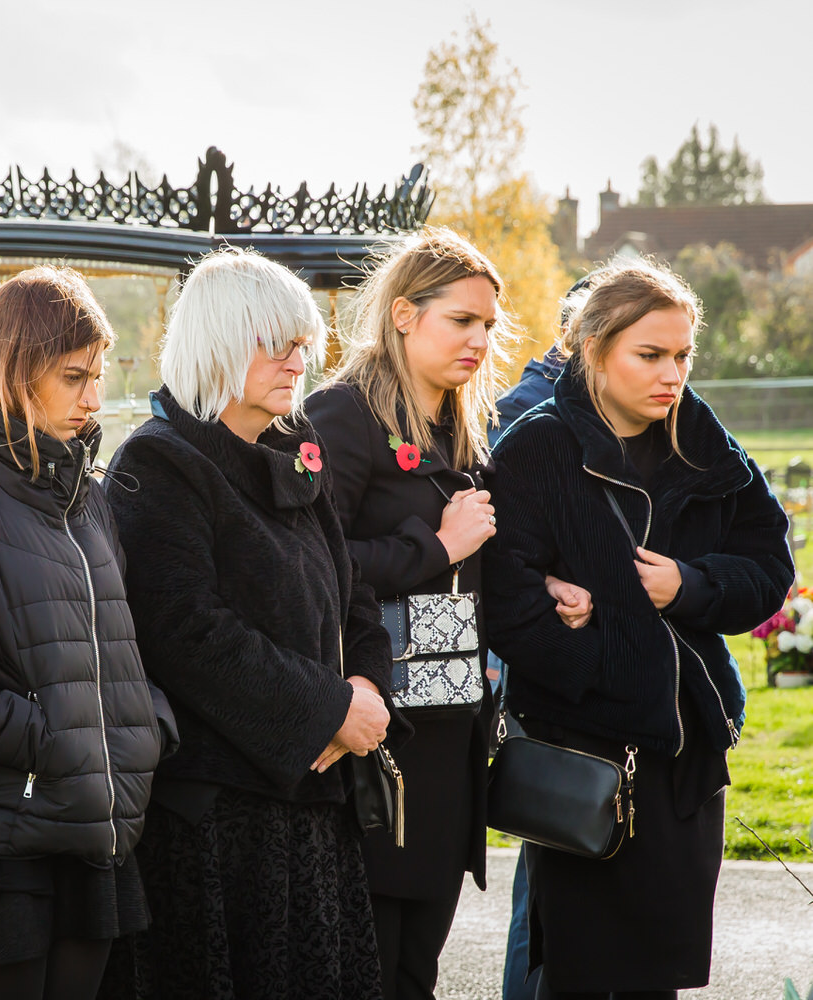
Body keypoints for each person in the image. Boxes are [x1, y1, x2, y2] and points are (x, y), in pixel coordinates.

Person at [100, 246, 405, 1000]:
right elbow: (187, 635)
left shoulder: (290, 455)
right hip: (215, 822)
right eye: (278, 341)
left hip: (310, 805)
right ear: (219, 341)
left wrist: (365, 687)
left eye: (304, 342)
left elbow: (351, 593)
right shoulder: (159, 464)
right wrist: (332, 710)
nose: (300, 359)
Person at [483, 259, 794, 999]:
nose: (672, 374)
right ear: (594, 349)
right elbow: (502, 596)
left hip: (685, 756)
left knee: (661, 972)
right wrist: (595, 652)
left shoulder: (702, 439)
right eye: (650, 355)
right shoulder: (536, 445)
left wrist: (689, 584)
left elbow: (768, 562)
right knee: (576, 973)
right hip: (581, 751)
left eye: (683, 355)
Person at [0, 266, 177, 1000]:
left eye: (100, 375)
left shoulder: (85, 489)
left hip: (92, 838)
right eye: (73, 376)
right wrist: (50, 736)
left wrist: (141, 725)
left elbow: (118, 637)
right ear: (10, 370)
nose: (93, 398)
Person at [303, 226, 508, 1000]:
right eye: (461, 320)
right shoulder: (341, 417)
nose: (479, 340)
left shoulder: (462, 429)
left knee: (415, 974)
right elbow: (317, 566)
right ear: (402, 315)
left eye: (488, 325)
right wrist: (434, 546)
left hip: (451, 741)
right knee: (369, 973)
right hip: (376, 741)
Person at [493, 274, 599, 1000]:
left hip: (608, 676)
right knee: (555, 862)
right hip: (554, 674)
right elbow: (501, 559)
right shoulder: (527, 415)